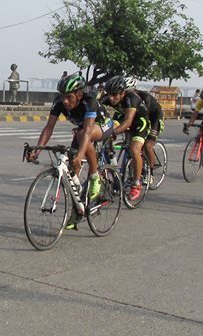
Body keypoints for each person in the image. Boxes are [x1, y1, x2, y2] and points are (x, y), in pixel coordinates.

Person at [28, 72, 113, 229]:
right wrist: (37, 150)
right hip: (83, 130)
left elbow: (87, 132)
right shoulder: (59, 103)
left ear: (79, 94)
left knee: (81, 140)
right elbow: (49, 128)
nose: (65, 101)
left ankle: (95, 177)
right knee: (73, 172)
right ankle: (78, 209)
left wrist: (80, 155)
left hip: (102, 125)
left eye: (69, 97)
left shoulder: (89, 101)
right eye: (62, 97)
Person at [100, 75, 151, 201]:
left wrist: (113, 133)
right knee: (105, 137)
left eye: (114, 95)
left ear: (122, 93)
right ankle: (113, 169)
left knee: (134, 150)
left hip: (139, 122)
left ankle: (136, 184)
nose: (111, 98)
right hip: (122, 118)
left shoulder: (131, 98)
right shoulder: (107, 98)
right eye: (109, 94)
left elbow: (128, 122)